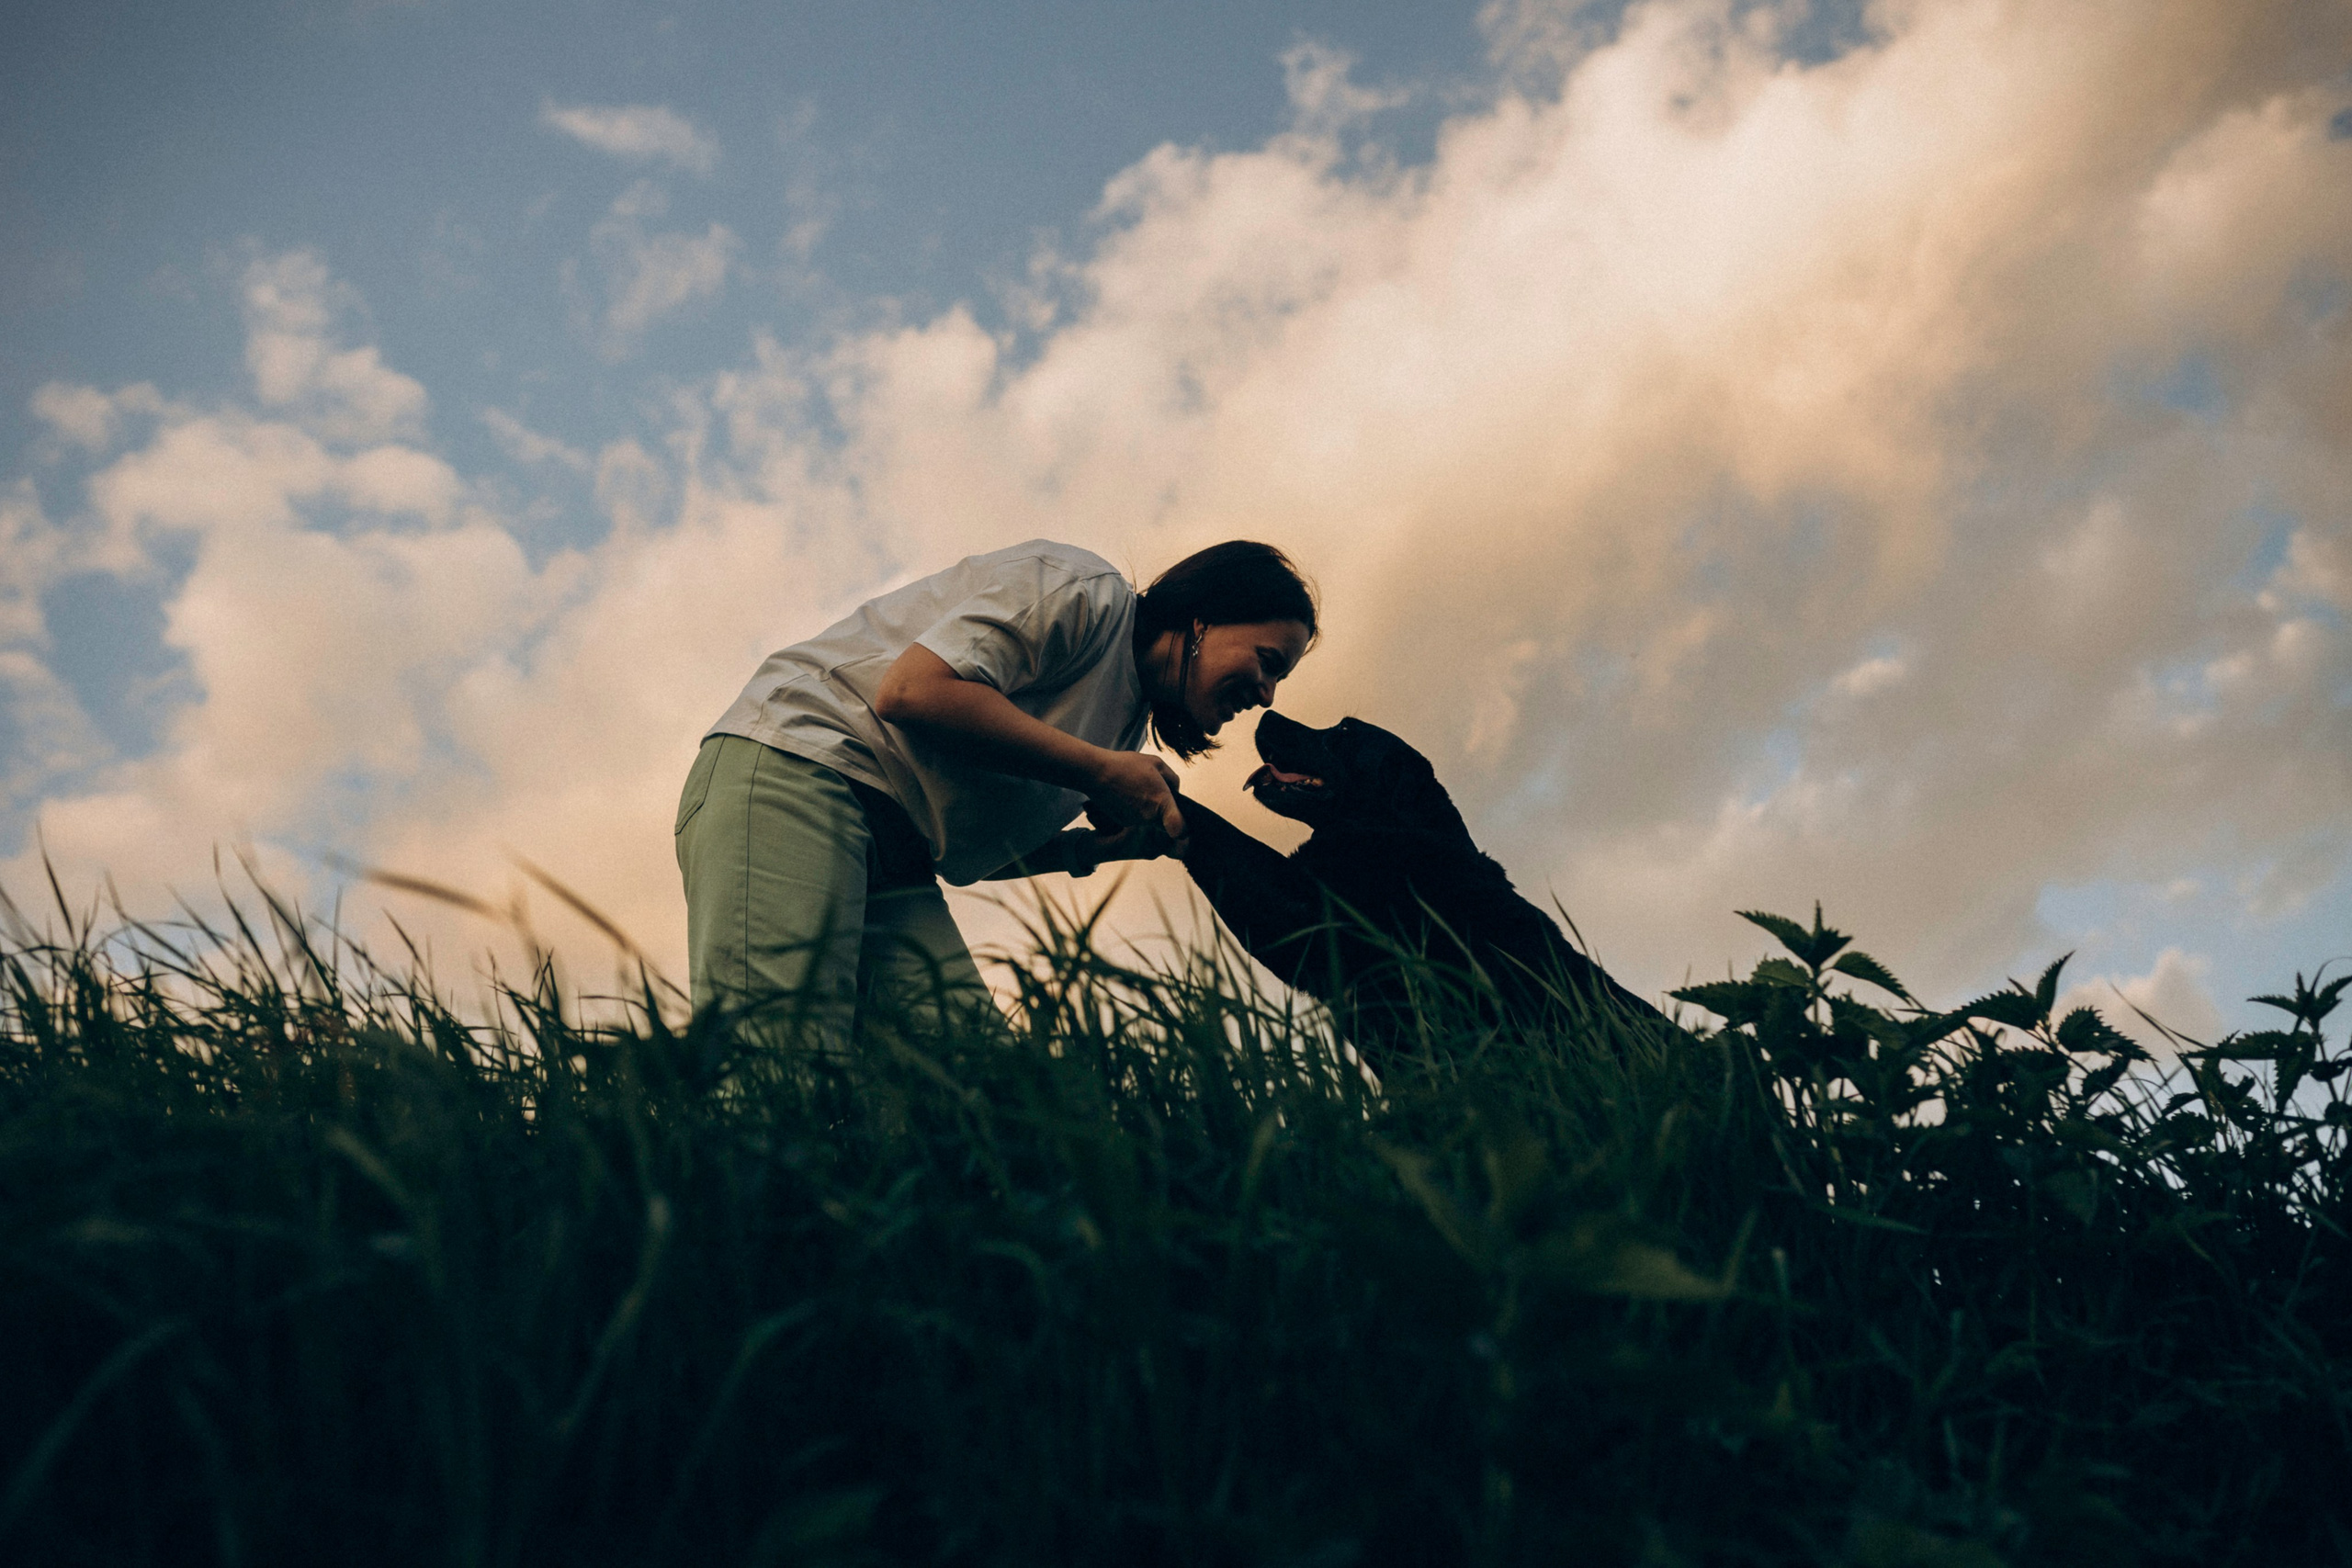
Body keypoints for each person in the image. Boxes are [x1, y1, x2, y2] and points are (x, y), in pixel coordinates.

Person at [674, 537, 1318, 1043]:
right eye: (1268, 662)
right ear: (1205, 618)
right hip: (796, 767)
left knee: (981, 1099)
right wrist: (1097, 770)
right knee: (776, 1070)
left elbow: (970, 854)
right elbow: (911, 690)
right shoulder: (1084, 593)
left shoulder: (1117, 727)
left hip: (896, 859)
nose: (1266, 696)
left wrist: (1105, 847)